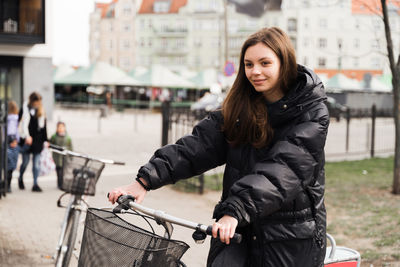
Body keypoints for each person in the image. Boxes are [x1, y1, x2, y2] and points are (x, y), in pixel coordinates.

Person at [108, 27, 329, 267]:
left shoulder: (311, 112)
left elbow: (284, 169)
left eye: (265, 63)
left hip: (287, 236)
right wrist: (144, 181)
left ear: (284, 63)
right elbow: (197, 146)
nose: (255, 71)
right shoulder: (240, 106)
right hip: (237, 229)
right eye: (248, 64)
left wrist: (235, 210)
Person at [18, 92, 48, 192]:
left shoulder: (41, 111)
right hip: (26, 141)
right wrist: (26, 136)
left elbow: (44, 128)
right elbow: (20, 124)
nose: (38, 104)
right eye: (36, 102)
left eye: (39, 102)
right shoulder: (24, 109)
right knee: (25, 163)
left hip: (38, 141)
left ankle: (35, 184)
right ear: (32, 101)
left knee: (36, 164)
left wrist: (46, 140)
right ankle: (20, 178)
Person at [50, 121, 73, 189]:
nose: (60, 129)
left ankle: (62, 184)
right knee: (58, 171)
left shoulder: (68, 137)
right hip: (57, 157)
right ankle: (59, 184)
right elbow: (51, 144)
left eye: (62, 127)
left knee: (63, 171)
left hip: (65, 158)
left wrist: (71, 157)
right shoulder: (54, 136)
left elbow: (70, 147)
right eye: (59, 127)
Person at [6, 101, 20, 192]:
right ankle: (8, 186)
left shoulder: (9, 118)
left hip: (9, 143)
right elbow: (12, 132)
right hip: (13, 144)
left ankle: (7, 185)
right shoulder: (14, 118)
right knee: (11, 166)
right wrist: (14, 141)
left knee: (8, 165)